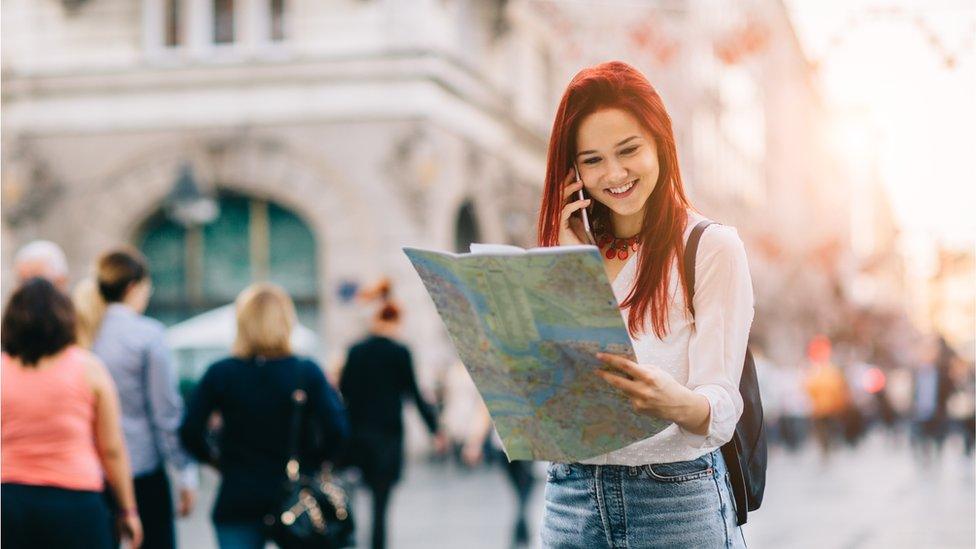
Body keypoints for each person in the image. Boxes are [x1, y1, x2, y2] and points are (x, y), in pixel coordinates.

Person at [535, 61, 753, 548]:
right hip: (571, 498)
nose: (614, 174)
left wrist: (672, 401)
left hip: (675, 499)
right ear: (572, 172)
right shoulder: (566, 253)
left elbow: (722, 403)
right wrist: (572, 268)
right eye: (592, 160)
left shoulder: (710, 246)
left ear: (661, 143)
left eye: (628, 150)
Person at [179, 283, 349, 549]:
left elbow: (189, 431)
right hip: (297, 499)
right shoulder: (306, 371)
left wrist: (216, 460)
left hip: (238, 495)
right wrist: (312, 464)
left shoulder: (221, 373)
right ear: (286, 321)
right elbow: (338, 431)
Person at [1, 278, 143, 549]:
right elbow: (111, 449)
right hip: (76, 501)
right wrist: (128, 510)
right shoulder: (90, 369)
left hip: (10, 500)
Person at [85, 247, 198, 549]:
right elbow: (165, 412)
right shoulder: (148, 335)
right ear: (134, 286)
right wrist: (185, 472)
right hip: (141, 468)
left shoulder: (85, 335)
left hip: (92, 471)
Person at [339, 279, 446, 549]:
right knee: (380, 505)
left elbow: (344, 393)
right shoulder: (400, 352)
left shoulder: (355, 351)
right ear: (395, 320)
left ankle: (349, 540)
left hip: (357, 436)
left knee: (349, 497)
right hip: (387, 439)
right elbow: (414, 395)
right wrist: (435, 430)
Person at [462, 403, 537, 548]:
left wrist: (474, 443)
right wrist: (475, 443)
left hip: (505, 444)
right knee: (524, 492)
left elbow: (484, 408)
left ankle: (520, 534)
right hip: (523, 446)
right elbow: (484, 409)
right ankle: (521, 533)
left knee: (521, 493)